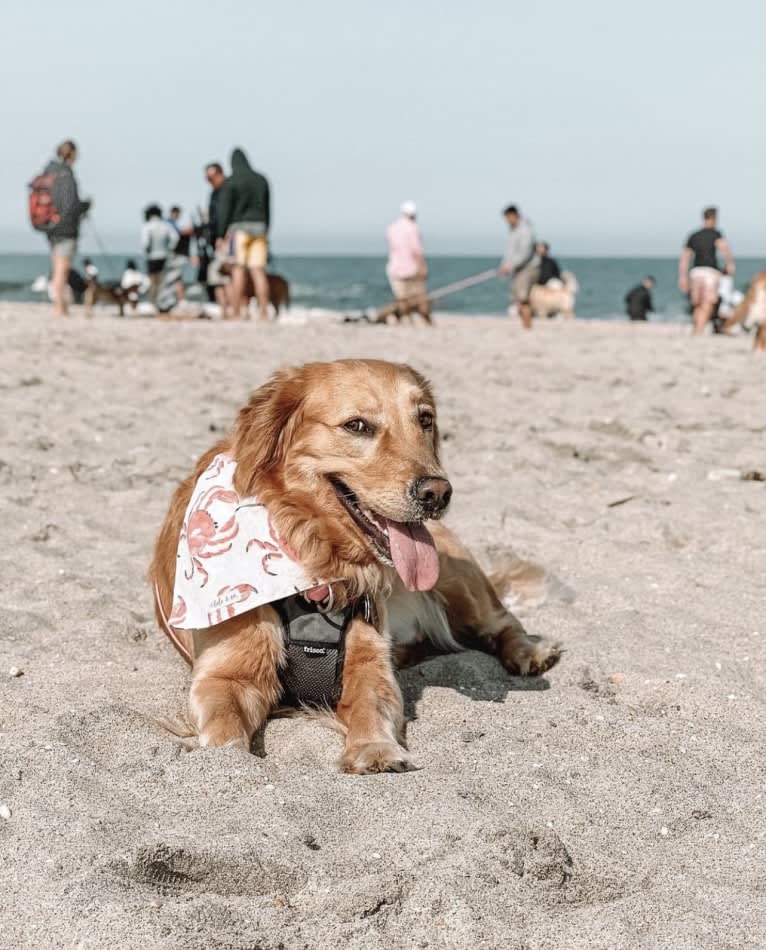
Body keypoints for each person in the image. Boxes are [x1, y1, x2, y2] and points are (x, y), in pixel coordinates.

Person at [217, 147, 271, 320]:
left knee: (237, 270)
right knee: (258, 271)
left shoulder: (231, 181)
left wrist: (221, 233)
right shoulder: (261, 180)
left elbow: (225, 209)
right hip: (260, 228)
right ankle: (263, 312)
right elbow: (268, 208)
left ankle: (237, 311)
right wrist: (266, 228)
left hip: (238, 230)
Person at [42, 140, 91, 317]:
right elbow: (70, 206)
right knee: (63, 269)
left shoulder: (50, 172)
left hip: (50, 227)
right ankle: (60, 307)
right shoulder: (66, 175)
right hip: (65, 228)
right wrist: (85, 206)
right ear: (71, 154)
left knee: (58, 267)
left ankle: (60, 306)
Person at [678, 206, 735, 335]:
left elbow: (685, 257)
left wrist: (682, 276)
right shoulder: (716, 234)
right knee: (708, 303)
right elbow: (724, 249)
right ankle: (699, 330)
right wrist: (730, 265)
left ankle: (697, 329)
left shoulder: (693, 236)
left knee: (697, 303)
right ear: (714, 219)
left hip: (696, 272)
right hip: (710, 272)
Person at [384, 200, 430, 321]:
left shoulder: (392, 228)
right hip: (412, 268)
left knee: (401, 298)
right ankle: (425, 321)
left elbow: (393, 248)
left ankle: (403, 321)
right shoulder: (413, 228)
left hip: (395, 268)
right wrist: (423, 266)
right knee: (419, 298)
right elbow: (416, 250)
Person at [499, 205, 539, 329]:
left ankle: (528, 327)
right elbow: (510, 252)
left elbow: (524, 253)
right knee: (517, 299)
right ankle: (525, 326)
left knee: (523, 298)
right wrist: (504, 265)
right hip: (517, 269)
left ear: (514, 215)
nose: (507, 221)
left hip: (527, 269)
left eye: (508, 218)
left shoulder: (525, 230)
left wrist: (510, 266)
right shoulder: (513, 230)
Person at [141, 204, 177, 304]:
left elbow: (145, 243)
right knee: (163, 281)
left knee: (152, 280)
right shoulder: (165, 225)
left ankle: (153, 301)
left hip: (152, 257)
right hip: (164, 256)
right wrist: (169, 248)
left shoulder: (148, 226)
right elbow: (175, 237)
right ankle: (162, 301)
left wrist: (147, 252)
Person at [167, 205, 194, 302]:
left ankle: (180, 299)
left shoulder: (172, 223)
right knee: (177, 278)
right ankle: (181, 299)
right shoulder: (170, 224)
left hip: (176, 256)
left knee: (176, 278)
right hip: (176, 255)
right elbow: (178, 234)